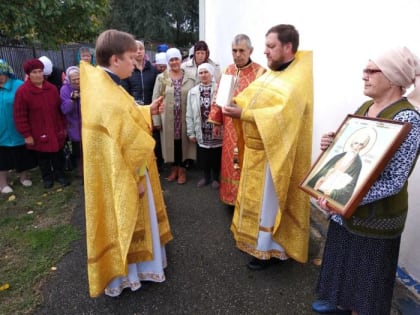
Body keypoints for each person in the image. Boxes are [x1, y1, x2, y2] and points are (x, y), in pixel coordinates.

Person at [311, 47, 420, 315]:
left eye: (372, 70)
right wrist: (331, 144)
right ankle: (339, 303)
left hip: (376, 215)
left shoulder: (408, 119)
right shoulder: (366, 107)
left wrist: (342, 199)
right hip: (344, 208)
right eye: (365, 70)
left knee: (367, 276)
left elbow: (394, 181)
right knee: (342, 261)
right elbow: (350, 148)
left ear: (393, 79)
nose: (364, 75)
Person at [80, 29, 172, 298]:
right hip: (125, 174)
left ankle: (134, 270)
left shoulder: (101, 84)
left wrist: (146, 110)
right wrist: (138, 178)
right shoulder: (108, 96)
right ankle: (133, 273)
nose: (135, 62)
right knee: (127, 218)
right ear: (114, 59)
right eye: (131, 57)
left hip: (111, 172)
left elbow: (124, 119)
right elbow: (128, 142)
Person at [222, 24, 313, 270]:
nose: (266, 52)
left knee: (268, 204)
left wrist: (246, 113)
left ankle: (267, 250)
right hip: (255, 151)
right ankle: (251, 240)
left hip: (275, 155)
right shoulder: (274, 72)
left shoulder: (295, 79)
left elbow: (282, 116)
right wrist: (233, 101)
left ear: (288, 47)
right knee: (254, 201)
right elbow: (253, 95)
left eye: (271, 47)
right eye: (266, 46)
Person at [208, 34, 266, 206]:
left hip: (247, 128)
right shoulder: (228, 70)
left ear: (251, 51)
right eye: (234, 50)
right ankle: (230, 198)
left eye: (242, 50)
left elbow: (264, 103)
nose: (237, 54)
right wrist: (216, 120)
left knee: (244, 163)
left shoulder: (261, 73)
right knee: (229, 163)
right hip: (229, 128)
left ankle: (245, 201)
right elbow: (219, 96)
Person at [14, 58, 69, 189]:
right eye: (34, 72)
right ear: (29, 74)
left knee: (57, 154)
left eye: (40, 71)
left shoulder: (51, 89)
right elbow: (20, 116)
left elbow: (59, 110)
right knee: (43, 157)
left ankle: (59, 175)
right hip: (37, 130)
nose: (38, 75)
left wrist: (63, 127)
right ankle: (47, 178)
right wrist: (26, 134)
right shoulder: (22, 92)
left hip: (55, 128)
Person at [152, 47, 196, 184]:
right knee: (172, 143)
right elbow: (156, 97)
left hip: (184, 117)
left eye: (176, 59)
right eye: (171, 60)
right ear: (168, 61)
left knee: (184, 143)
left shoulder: (190, 77)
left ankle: (182, 170)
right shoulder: (162, 77)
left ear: (181, 59)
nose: (174, 62)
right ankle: (174, 169)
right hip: (168, 118)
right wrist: (156, 119)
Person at [122, 40, 163, 170]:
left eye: (141, 49)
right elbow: (124, 92)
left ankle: (157, 164)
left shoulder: (152, 69)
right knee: (138, 137)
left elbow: (158, 89)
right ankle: (142, 165)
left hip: (152, 109)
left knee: (154, 137)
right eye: (135, 49)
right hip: (135, 110)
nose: (139, 51)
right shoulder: (128, 70)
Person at [0, 59, 37, 194]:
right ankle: (2, 183)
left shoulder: (19, 86)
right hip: (1, 131)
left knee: (22, 153)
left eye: (1, 74)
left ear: (6, 72)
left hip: (17, 129)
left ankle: (24, 177)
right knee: (2, 158)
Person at [307, 132, 371, 206]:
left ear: (364, 147)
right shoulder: (339, 156)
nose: (357, 146)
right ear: (352, 143)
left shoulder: (357, 164)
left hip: (330, 192)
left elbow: (350, 186)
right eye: (356, 143)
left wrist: (333, 193)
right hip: (319, 186)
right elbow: (323, 171)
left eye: (361, 144)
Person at [186, 63, 222, 188]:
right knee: (204, 155)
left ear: (211, 73)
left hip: (216, 129)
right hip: (201, 128)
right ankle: (206, 177)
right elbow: (189, 112)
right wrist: (190, 132)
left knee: (216, 154)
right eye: (200, 73)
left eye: (206, 72)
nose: (203, 75)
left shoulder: (219, 88)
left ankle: (216, 178)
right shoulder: (193, 92)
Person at [60, 66, 82, 175]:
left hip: (87, 123)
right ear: (69, 80)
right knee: (77, 150)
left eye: (79, 78)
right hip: (74, 124)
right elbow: (64, 110)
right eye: (74, 80)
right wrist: (72, 99)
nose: (77, 81)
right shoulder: (65, 89)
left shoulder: (87, 87)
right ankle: (80, 171)